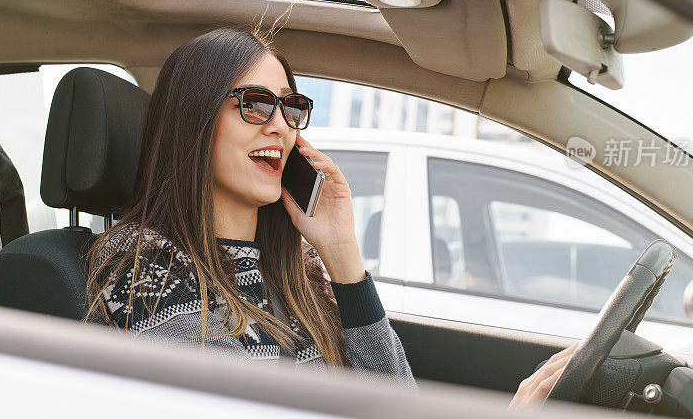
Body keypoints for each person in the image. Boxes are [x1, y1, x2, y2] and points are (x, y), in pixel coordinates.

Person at [85, 26, 573, 403]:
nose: (281, 127)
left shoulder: (293, 270)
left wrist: (341, 253)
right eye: (255, 105)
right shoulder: (145, 265)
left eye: (291, 108)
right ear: (193, 120)